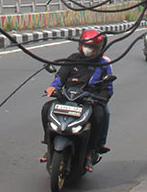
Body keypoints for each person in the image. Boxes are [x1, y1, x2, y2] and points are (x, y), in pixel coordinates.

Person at [41, 28, 113, 162]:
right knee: (46, 108)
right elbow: (60, 76)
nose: (89, 50)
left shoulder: (103, 64)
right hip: (68, 97)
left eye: (93, 47)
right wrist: (53, 87)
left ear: (99, 48)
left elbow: (108, 88)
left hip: (90, 100)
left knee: (101, 115)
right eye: (86, 46)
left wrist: (101, 99)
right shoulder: (72, 59)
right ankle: (48, 143)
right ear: (80, 44)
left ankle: (91, 150)